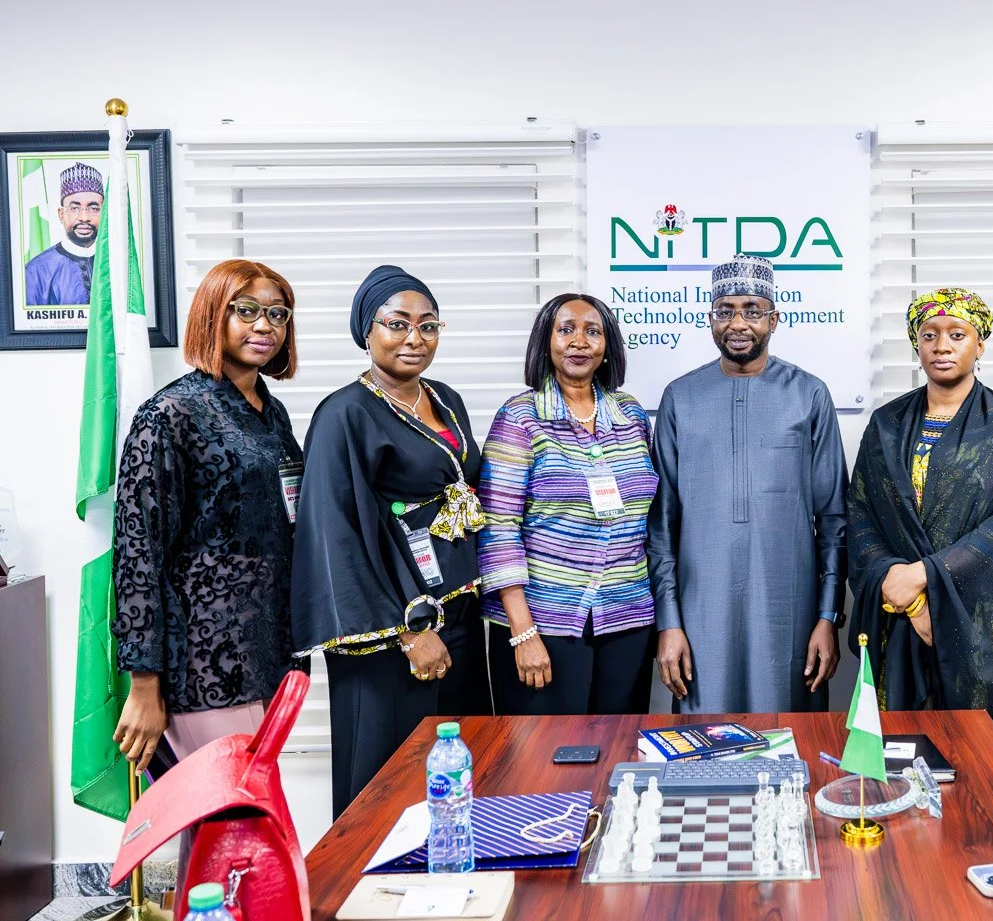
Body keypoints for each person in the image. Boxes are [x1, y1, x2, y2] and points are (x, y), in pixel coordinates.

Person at [847, 288, 993, 801]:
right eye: (929, 335)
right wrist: (912, 599)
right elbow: (860, 519)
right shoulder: (885, 425)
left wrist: (924, 578)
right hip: (899, 624)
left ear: (980, 345)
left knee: (982, 784)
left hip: (988, 630)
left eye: (957, 335)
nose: (942, 346)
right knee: (901, 769)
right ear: (915, 345)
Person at [291, 265, 489, 817]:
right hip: (391, 630)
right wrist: (409, 632)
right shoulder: (343, 414)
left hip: (458, 612)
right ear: (366, 329)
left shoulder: (444, 398)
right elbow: (336, 535)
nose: (414, 338)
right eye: (397, 324)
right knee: (385, 776)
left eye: (428, 326)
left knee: (458, 770)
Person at [112, 258, 302, 770]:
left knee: (237, 823)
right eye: (247, 311)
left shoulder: (271, 412)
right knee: (230, 819)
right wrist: (145, 684)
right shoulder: (169, 415)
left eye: (278, 314)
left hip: (270, 647)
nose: (265, 326)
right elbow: (137, 553)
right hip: (203, 657)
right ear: (212, 316)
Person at [647, 254, 847, 713]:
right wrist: (669, 622)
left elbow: (835, 519)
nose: (738, 323)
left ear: (774, 319)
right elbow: (661, 526)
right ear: (709, 319)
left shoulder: (809, 394)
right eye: (725, 311)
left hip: (790, 613)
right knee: (702, 746)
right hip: (700, 616)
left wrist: (827, 617)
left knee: (790, 741)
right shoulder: (681, 397)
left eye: (753, 310)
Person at [479, 293, 658, 715]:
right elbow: (497, 527)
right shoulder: (520, 416)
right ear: (546, 341)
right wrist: (522, 633)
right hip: (542, 623)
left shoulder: (631, 415)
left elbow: (649, 517)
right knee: (541, 766)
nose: (579, 342)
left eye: (592, 332)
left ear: (607, 346)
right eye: (566, 330)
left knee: (618, 756)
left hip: (627, 618)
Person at [24, 162, 102, 306]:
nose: (84, 217)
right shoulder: (35, 271)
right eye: (74, 208)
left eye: (93, 208)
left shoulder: (118, 264)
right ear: (61, 214)